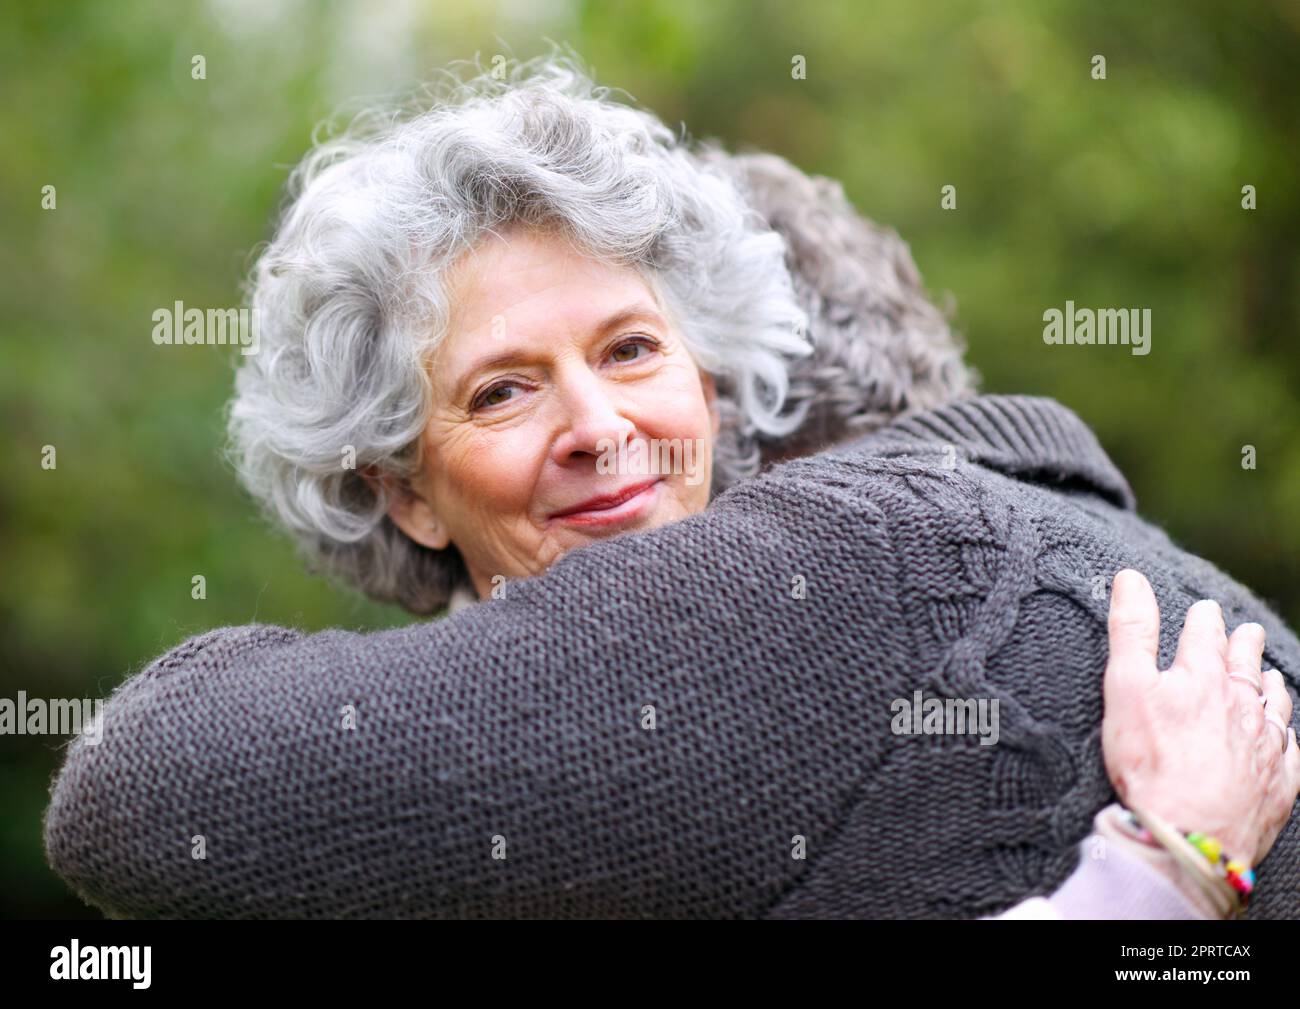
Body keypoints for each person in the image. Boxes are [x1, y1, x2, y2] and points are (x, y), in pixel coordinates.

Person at [41, 53, 1300, 918]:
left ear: (713, 387)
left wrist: (1168, 875)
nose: (599, 425)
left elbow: (127, 791)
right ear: (405, 494)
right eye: (502, 389)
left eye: (631, 350)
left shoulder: (781, 600)